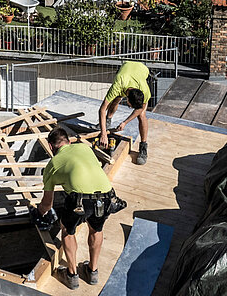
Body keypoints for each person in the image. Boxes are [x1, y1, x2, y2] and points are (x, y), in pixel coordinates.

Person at [35, 127, 121, 289]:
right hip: (107, 195)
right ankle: (92, 271)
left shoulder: (53, 164)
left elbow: (47, 204)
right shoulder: (84, 147)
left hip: (81, 200)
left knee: (67, 230)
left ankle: (72, 275)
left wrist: (38, 212)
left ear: (51, 147)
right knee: (96, 229)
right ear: (68, 141)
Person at [98, 60, 152, 165]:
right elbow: (102, 109)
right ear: (127, 100)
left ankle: (143, 146)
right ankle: (108, 121)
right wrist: (103, 133)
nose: (130, 108)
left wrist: (125, 122)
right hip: (126, 68)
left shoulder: (145, 91)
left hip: (141, 70)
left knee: (141, 116)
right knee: (116, 99)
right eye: (130, 106)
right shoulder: (118, 85)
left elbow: (140, 109)